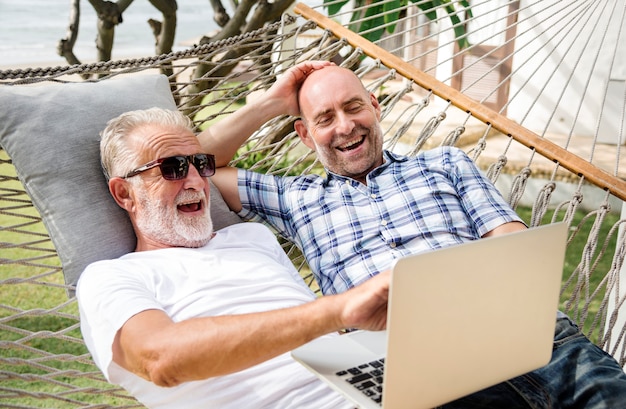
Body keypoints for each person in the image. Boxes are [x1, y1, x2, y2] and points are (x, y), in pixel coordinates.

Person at [200, 62, 626, 408]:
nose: (345, 126)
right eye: (325, 119)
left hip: (537, 339)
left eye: (353, 107)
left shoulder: (446, 163)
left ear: (375, 106)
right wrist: (270, 104)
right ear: (304, 135)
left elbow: (511, 243)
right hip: (424, 372)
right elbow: (195, 161)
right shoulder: (294, 197)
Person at [76, 106, 391, 409]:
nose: (197, 181)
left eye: (201, 164)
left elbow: (329, 338)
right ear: (124, 194)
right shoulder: (109, 277)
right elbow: (159, 359)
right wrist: (337, 311)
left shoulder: (252, 238)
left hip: (379, 391)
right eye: (172, 168)